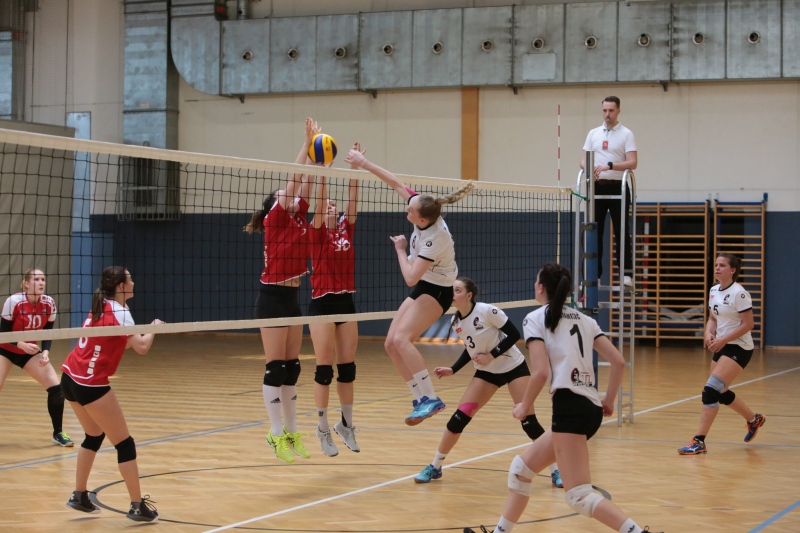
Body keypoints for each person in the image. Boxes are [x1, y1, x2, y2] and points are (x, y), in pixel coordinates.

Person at [465, 263, 661, 533]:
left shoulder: (535, 318)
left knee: (579, 496)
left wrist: (524, 406)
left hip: (570, 407)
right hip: (589, 407)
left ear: (541, 287)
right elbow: (618, 361)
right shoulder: (585, 320)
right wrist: (608, 401)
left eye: (536, 281)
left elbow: (541, 372)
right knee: (521, 470)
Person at [345, 147, 473, 425]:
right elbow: (394, 182)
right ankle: (420, 399)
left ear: (422, 219)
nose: (408, 208)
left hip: (438, 291)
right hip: (425, 286)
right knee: (391, 344)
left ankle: (432, 398)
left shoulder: (435, 239)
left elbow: (411, 278)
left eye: (411, 210)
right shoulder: (422, 206)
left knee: (402, 339)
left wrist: (401, 250)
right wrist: (363, 162)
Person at [414, 277, 562, 488]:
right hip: (487, 372)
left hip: (513, 367)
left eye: (457, 290)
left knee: (528, 421)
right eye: (451, 290)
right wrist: (453, 369)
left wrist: (491, 355)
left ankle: (556, 470)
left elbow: (514, 334)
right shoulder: (456, 321)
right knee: (458, 419)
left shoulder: (487, 311)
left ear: (469, 295)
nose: (452, 294)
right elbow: (470, 348)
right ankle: (435, 466)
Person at [61, 266, 163, 522]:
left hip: (69, 377)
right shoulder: (120, 311)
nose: (134, 282)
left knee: (94, 435)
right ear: (121, 286)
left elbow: (120, 342)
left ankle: (79, 495)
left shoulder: (104, 305)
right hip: (90, 384)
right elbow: (141, 347)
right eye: (130, 279)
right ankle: (137, 505)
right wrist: (154, 328)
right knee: (124, 443)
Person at [244, 117, 318, 463]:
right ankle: (275, 434)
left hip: (291, 298)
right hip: (271, 297)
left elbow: (305, 184)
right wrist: (306, 144)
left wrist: (319, 160)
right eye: (285, 195)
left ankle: (291, 431)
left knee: (293, 368)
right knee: (275, 368)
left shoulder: (298, 216)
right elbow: (294, 179)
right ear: (275, 202)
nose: (292, 196)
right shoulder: (275, 215)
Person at [678, 253, 764, 455]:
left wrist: (724, 339)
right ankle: (754, 420)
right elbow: (713, 319)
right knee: (721, 392)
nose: (717, 268)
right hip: (722, 345)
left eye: (722, 265)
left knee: (711, 390)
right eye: (716, 265)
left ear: (732, 270)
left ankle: (699, 441)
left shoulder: (739, 293)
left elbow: (749, 324)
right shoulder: (714, 290)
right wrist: (708, 333)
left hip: (739, 347)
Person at [309, 146, 362, 456]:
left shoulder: (345, 228)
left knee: (348, 368)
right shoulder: (316, 232)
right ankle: (322, 428)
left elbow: (353, 199)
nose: (330, 207)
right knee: (324, 369)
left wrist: (354, 170)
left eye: (333, 205)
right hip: (322, 303)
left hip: (346, 301)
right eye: (326, 205)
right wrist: (323, 174)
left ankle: (347, 425)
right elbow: (319, 203)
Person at [0, 268, 73, 447]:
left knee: (56, 388)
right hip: (5, 349)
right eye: (37, 279)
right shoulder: (14, 301)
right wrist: (21, 344)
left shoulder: (49, 303)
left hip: (29, 352)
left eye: (43, 279)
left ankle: (58, 433)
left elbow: (48, 332)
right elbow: (3, 333)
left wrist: (45, 352)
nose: (41, 283)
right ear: (26, 284)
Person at [580, 96, 637, 286]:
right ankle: (594, 274)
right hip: (597, 187)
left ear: (618, 111)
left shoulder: (626, 134)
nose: (607, 114)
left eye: (611, 110)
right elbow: (582, 161)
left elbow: (633, 162)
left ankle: (626, 274)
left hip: (618, 186)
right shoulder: (593, 133)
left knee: (621, 230)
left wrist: (610, 165)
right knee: (594, 231)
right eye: (605, 110)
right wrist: (591, 169)